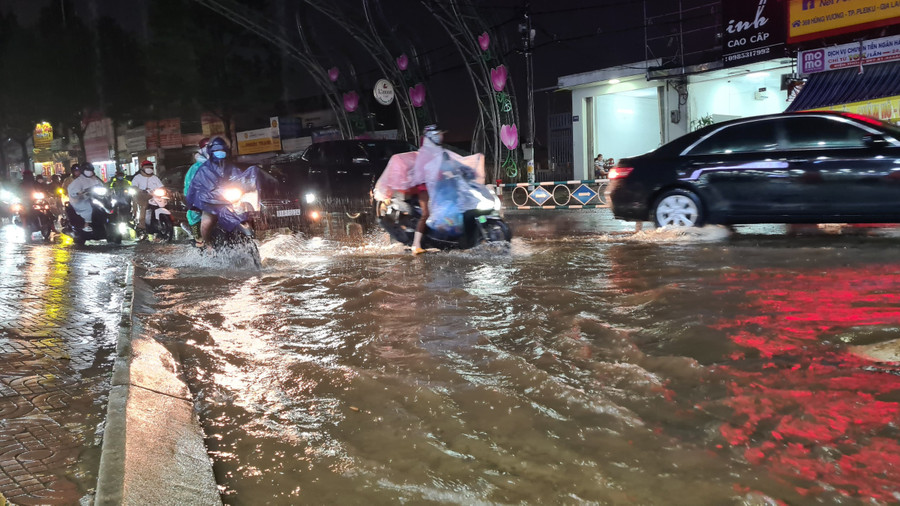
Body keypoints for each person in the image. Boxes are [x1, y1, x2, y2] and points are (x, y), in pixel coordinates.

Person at [185, 136, 260, 248]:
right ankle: (208, 245)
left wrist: (248, 185)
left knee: (246, 216)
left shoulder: (231, 167)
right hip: (210, 204)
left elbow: (240, 179)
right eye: (216, 151)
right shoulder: (204, 169)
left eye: (222, 151)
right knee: (206, 223)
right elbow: (197, 187)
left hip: (229, 202)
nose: (219, 154)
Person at [409, 126, 444, 255]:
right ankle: (416, 244)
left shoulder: (438, 151)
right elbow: (423, 171)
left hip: (436, 186)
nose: (441, 136)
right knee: (426, 213)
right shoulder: (425, 152)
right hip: (425, 187)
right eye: (438, 134)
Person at [183, 137, 209, 242]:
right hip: (201, 202)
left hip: (219, 200)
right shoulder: (195, 168)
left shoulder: (222, 165)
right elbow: (189, 188)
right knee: (195, 216)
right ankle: (198, 239)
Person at [66, 163, 104, 232]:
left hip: (95, 198)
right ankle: (86, 225)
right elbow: (72, 191)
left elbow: (102, 185)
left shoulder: (95, 178)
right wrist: (79, 192)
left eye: (91, 170)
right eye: (88, 170)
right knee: (89, 208)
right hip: (81, 200)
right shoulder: (78, 181)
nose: (90, 172)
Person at [131, 161, 163, 233]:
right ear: (142, 168)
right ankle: (142, 223)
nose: (149, 169)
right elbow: (134, 186)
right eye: (147, 167)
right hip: (142, 197)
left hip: (154, 197)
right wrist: (139, 190)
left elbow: (161, 186)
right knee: (144, 206)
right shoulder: (137, 178)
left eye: (151, 167)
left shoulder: (155, 178)